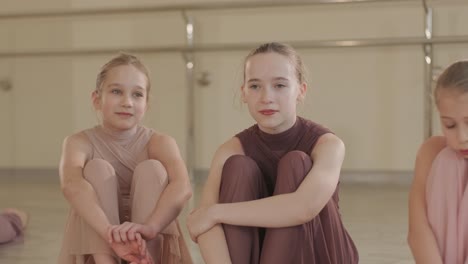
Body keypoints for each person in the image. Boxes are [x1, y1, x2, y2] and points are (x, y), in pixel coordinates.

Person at [186, 42, 358, 264]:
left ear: (300, 91)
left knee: (296, 163)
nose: (266, 97)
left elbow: (302, 207)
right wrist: (211, 216)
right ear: (244, 93)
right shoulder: (230, 150)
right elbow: (204, 223)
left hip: (319, 255)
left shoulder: (328, 144)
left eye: (279, 85)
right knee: (238, 166)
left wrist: (216, 212)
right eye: (255, 86)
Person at [57, 53, 193, 264]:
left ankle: (146, 259)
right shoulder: (78, 142)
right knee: (96, 169)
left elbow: (182, 186)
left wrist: (150, 228)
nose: (127, 102)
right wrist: (110, 234)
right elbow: (71, 185)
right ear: (97, 99)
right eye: (116, 91)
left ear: (146, 103)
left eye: (137, 94)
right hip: (99, 237)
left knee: (153, 170)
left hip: (150, 235)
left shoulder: (160, 142)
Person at [408, 60, 468, 263]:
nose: (462, 137)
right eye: (449, 125)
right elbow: (417, 230)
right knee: (446, 160)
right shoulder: (432, 152)